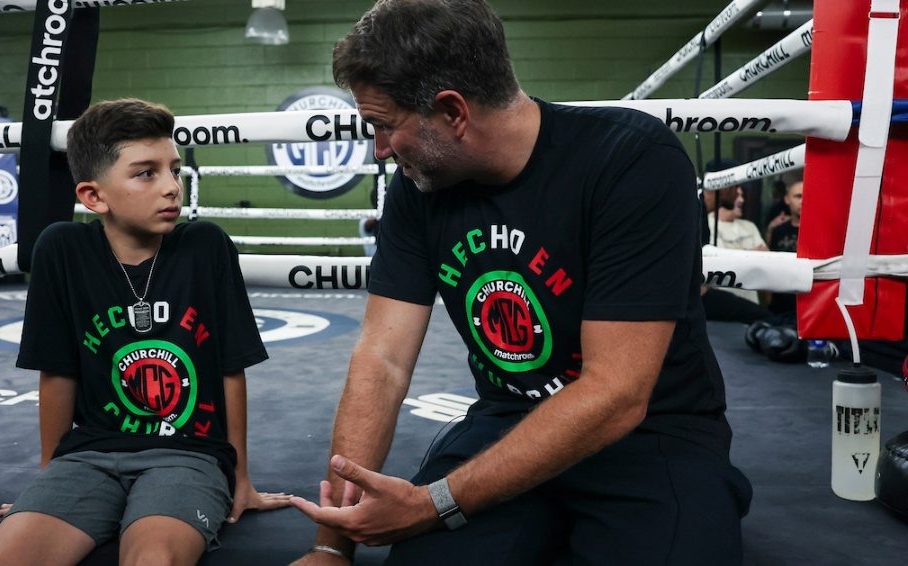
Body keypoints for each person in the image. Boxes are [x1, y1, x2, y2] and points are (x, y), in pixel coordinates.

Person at [287, 1, 751, 565]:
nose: (380, 149)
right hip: (507, 421)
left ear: (453, 112)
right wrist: (331, 547)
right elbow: (382, 359)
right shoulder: (419, 187)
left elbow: (615, 393)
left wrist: (434, 503)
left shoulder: (631, 160)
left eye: (386, 126)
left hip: (652, 435)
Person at [0, 98, 290, 566]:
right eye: (146, 173)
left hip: (188, 454)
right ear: (94, 196)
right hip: (88, 456)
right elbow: (57, 373)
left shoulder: (205, 245)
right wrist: (48, 480)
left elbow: (230, 369)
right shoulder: (61, 249)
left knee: (152, 560)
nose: (171, 187)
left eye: (174, 170)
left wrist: (241, 478)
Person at [700, 160, 774, 324]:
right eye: (737, 187)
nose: (739, 194)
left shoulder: (699, 215)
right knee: (766, 319)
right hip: (681, 300)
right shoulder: (693, 212)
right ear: (726, 188)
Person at [767, 170, 803, 316]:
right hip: (780, 303)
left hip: (806, 301)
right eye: (798, 196)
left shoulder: (819, 231)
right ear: (787, 200)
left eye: (807, 196)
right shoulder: (778, 230)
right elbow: (770, 266)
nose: (803, 200)